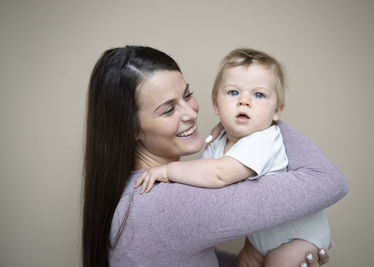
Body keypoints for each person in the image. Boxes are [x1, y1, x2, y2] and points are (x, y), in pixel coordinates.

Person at [82, 45, 348, 267]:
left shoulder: (134, 193)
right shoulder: (166, 202)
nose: (190, 113)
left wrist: (246, 118)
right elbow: (330, 181)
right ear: (132, 130)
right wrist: (264, 118)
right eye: (168, 109)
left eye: (187, 95)